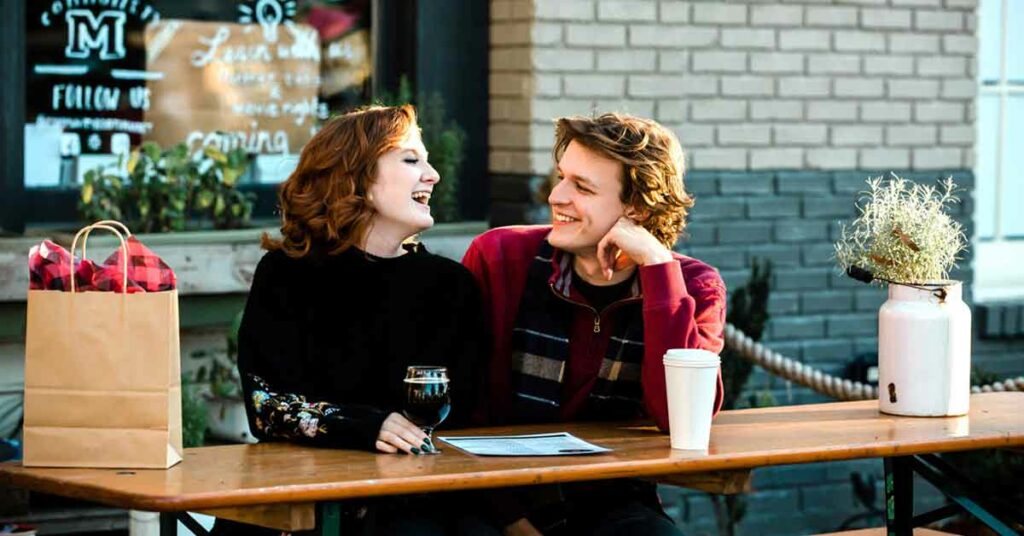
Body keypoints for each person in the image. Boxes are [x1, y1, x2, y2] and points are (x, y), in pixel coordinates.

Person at [216, 105, 485, 535]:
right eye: (411, 159)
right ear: (354, 176)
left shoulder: (450, 286)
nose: (433, 174)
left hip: (415, 505)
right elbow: (266, 407)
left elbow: (466, 417)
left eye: (428, 160)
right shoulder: (287, 273)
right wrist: (364, 425)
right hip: (302, 502)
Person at [462, 113, 727, 535]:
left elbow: (681, 419)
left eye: (582, 187)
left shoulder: (693, 286)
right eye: (561, 177)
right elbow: (464, 409)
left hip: (613, 498)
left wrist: (658, 268)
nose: (556, 196)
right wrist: (512, 521)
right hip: (493, 493)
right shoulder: (500, 258)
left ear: (636, 208)